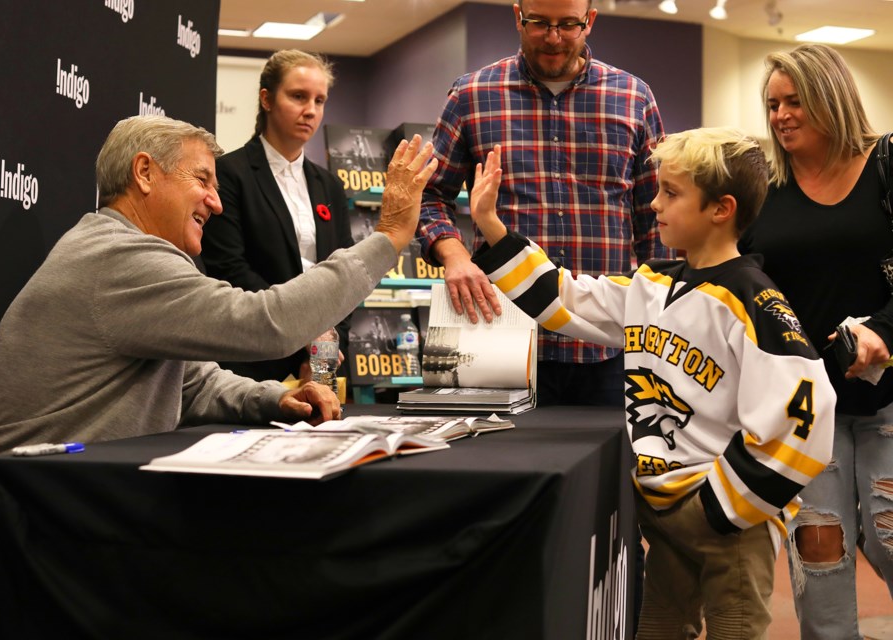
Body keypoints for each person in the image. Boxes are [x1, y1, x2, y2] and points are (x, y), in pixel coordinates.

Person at [0, 115, 436, 607]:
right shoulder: (119, 258)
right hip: (7, 525)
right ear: (145, 173)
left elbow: (191, 384)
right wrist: (388, 236)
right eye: (202, 180)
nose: (216, 203)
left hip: (53, 509)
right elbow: (267, 323)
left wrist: (279, 398)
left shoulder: (116, 250)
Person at [469, 131, 835, 638]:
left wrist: (723, 507)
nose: (654, 203)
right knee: (658, 630)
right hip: (662, 513)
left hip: (728, 522)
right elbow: (566, 301)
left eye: (671, 192)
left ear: (720, 209)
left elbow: (808, 412)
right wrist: (491, 226)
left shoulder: (755, 300)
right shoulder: (651, 283)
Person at [417, 0, 671, 407]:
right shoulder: (472, 95)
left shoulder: (633, 97)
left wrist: (660, 315)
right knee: (503, 465)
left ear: (590, 21)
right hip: (501, 335)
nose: (553, 38)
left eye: (568, 24)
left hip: (607, 345)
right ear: (518, 16)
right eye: (539, 23)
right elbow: (430, 194)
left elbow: (657, 217)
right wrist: (454, 255)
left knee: (611, 466)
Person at [739, 43, 893, 639]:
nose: (780, 116)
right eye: (773, 104)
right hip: (807, 406)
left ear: (831, 96)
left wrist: (883, 331)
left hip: (886, 396)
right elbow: (743, 280)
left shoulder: (885, 163)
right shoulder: (763, 185)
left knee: (887, 536)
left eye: (794, 101)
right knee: (819, 553)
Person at [201, 49, 354, 383]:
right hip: (251, 362)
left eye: (319, 100)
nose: (310, 111)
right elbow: (230, 269)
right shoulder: (229, 173)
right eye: (298, 97)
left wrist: (326, 341)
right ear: (267, 99)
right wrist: (304, 338)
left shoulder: (329, 184)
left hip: (322, 358)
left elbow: (347, 273)